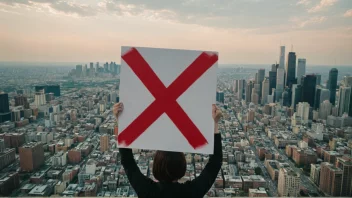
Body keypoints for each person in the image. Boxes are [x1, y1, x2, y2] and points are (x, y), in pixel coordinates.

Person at [113, 102, 223, 198]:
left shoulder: (147, 191)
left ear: (156, 166)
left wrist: (121, 120)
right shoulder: (191, 192)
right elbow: (215, 163)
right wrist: (215, 123)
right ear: (182, 167)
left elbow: (127, 162)